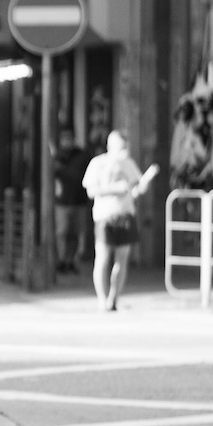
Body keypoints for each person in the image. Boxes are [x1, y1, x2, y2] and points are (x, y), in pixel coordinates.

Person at [82, 130, 158, 312]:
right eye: (121, 146)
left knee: (122, 259)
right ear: (110, 145)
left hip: (126, 214)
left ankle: (113, 298)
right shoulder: (98, 163)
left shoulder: (129, 164)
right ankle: (102, 299)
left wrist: (145, 182)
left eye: (126, 146)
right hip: (104, 215)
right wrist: (115, 188)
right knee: (102, 257)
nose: (124, 150)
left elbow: (136, 190)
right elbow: (91, 191)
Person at [53, 129, 90, 274]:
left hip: (78, 200)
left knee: (75, 233)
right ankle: (61, 260)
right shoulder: (57, 156)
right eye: (64, 138)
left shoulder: (81, 155)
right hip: (62, 201)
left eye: (69, 138)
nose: (66, 141)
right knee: (62, 232)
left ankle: (70, 261)